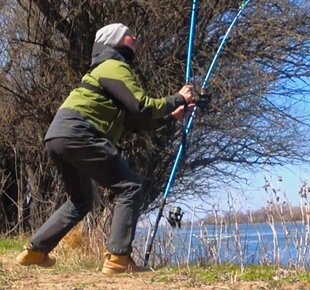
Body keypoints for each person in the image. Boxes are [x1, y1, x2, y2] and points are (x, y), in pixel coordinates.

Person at [15, 23, 195, 274]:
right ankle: (119, 259)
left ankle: (34, 251)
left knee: (79, 202)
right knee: (130, 186)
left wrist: (170, 117)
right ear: (116, 41)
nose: (136, 38)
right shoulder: (114, 66)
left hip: (58, 135)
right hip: (79, 132)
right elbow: (141, 106)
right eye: (130, 35)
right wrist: (179, 98)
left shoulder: (104, 70)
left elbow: (135, 121)